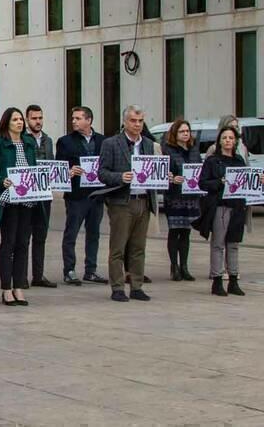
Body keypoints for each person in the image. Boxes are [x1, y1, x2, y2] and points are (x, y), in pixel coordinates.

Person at [96, 105, 162, 303]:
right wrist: (119, 177)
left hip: (144, 200)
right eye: (133, 121)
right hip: (122, 202)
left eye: (140, 121)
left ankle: (136, 286)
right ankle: (117, 287)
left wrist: (161, 175)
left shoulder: (149, 144)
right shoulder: (111, 143)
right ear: (125, 122)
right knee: (118, 246)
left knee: (138, 247)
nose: (137, 124)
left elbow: (154, 170)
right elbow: (102, 172)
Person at [0, 107, 40, 306]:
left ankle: (19, 287)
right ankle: (6, 288)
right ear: (7, 122)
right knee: (9, 243)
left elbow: (34, 167)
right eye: (15, 119)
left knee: (23, 243)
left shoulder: (29, 143)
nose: (19, 123)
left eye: (21, 119)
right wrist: (1, 180)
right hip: (8, 199)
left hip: (27, 199)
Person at [197, 126, 251, 297]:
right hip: (220, 206)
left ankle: (233, 280)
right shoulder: (212, 161)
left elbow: (246, 182)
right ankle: (217, 280)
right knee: (218, 244)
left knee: (233, 244)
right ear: (219, 141)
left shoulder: (239, 161)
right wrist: (219, 182)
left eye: (231, 138)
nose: (228, 140)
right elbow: (203, 183)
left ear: (235, 141)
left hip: (237, 206)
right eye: (225, 137)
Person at [55, 106, 107, 286]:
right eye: (73, 118)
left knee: (94, 233)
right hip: (76, 195)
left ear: (89, 120)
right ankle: (69, 269)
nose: (74, 121)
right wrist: (69, 171)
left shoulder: (103, 141)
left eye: (78, 118)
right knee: (72, 233)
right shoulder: (65, 141)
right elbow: (58, 167)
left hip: (97, 194)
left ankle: (90, 270)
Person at [161, 119, 201, 282]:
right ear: (175, 134)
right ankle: (174, 266)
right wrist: (172, 179)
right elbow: (164, 173)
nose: (185, 134)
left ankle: (184, 266)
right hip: (174, 196)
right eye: (182, 131)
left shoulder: (193, 150)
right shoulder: (168, 150)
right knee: (175, 230)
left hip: (190, 196)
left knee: (186, 231)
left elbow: (199, 168)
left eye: (187, 131)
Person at [24, 105, 56, 288]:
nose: (38, 121)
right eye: (34, 118)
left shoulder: (48, 140)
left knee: (41, 236)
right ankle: (21, 276)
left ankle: (38, 274)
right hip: (28, 193)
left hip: (44, 194)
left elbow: (51, 163)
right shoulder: (23, 139)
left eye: (40, 118)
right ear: (28, 119)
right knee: (24, 236)